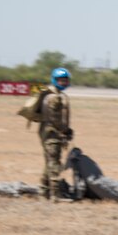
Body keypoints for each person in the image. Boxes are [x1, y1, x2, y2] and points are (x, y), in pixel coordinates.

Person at [39, 67, 74, 200]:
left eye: (65, 80)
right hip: (52, 134)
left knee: (50, 162)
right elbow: (54, 119)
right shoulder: (54, 97)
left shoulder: (56, 95)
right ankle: (55, 194)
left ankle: (44, 191)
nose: (63, 83)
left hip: (52, 133)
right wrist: (64, 131)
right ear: (54, 80)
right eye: (61, 80)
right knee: (54, 163)